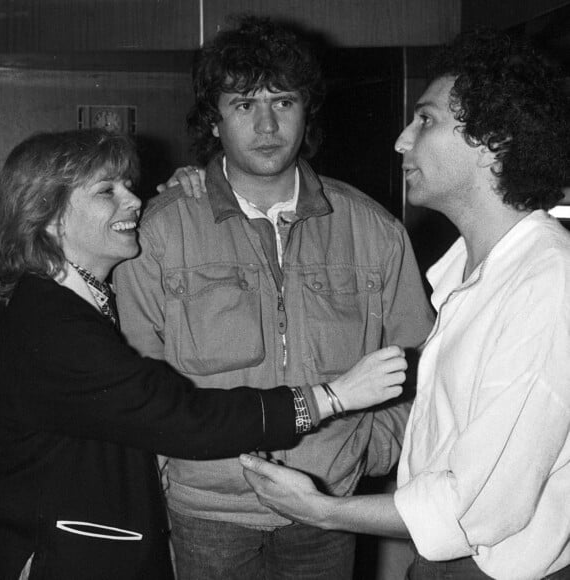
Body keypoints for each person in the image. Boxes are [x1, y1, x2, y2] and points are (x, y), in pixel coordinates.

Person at [0, 128, 408, 580]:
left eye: (128, 185)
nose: (133, 200)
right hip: (66, 557)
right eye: (106, 191)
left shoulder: (71, 300)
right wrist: (333, 397)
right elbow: (182, 416)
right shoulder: (55, 325)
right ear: (50, 219)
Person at [240, 27, 570, 580]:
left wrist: (322, 511)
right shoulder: (471, 275)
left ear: (493, 142)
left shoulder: (547, 285)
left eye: (427, 119)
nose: (401, 140)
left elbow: (476, 506)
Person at [114, 15, 434, 580]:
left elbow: (422, 362)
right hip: (205, 511)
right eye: (243, 105)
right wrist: (169, 473)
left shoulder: (372, 229)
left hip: (326, 507)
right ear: (214, 121)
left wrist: (366, 452)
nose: (267, 125)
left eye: (283, 102)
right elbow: (138, 377)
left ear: (306, 111)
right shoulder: (161, 231)